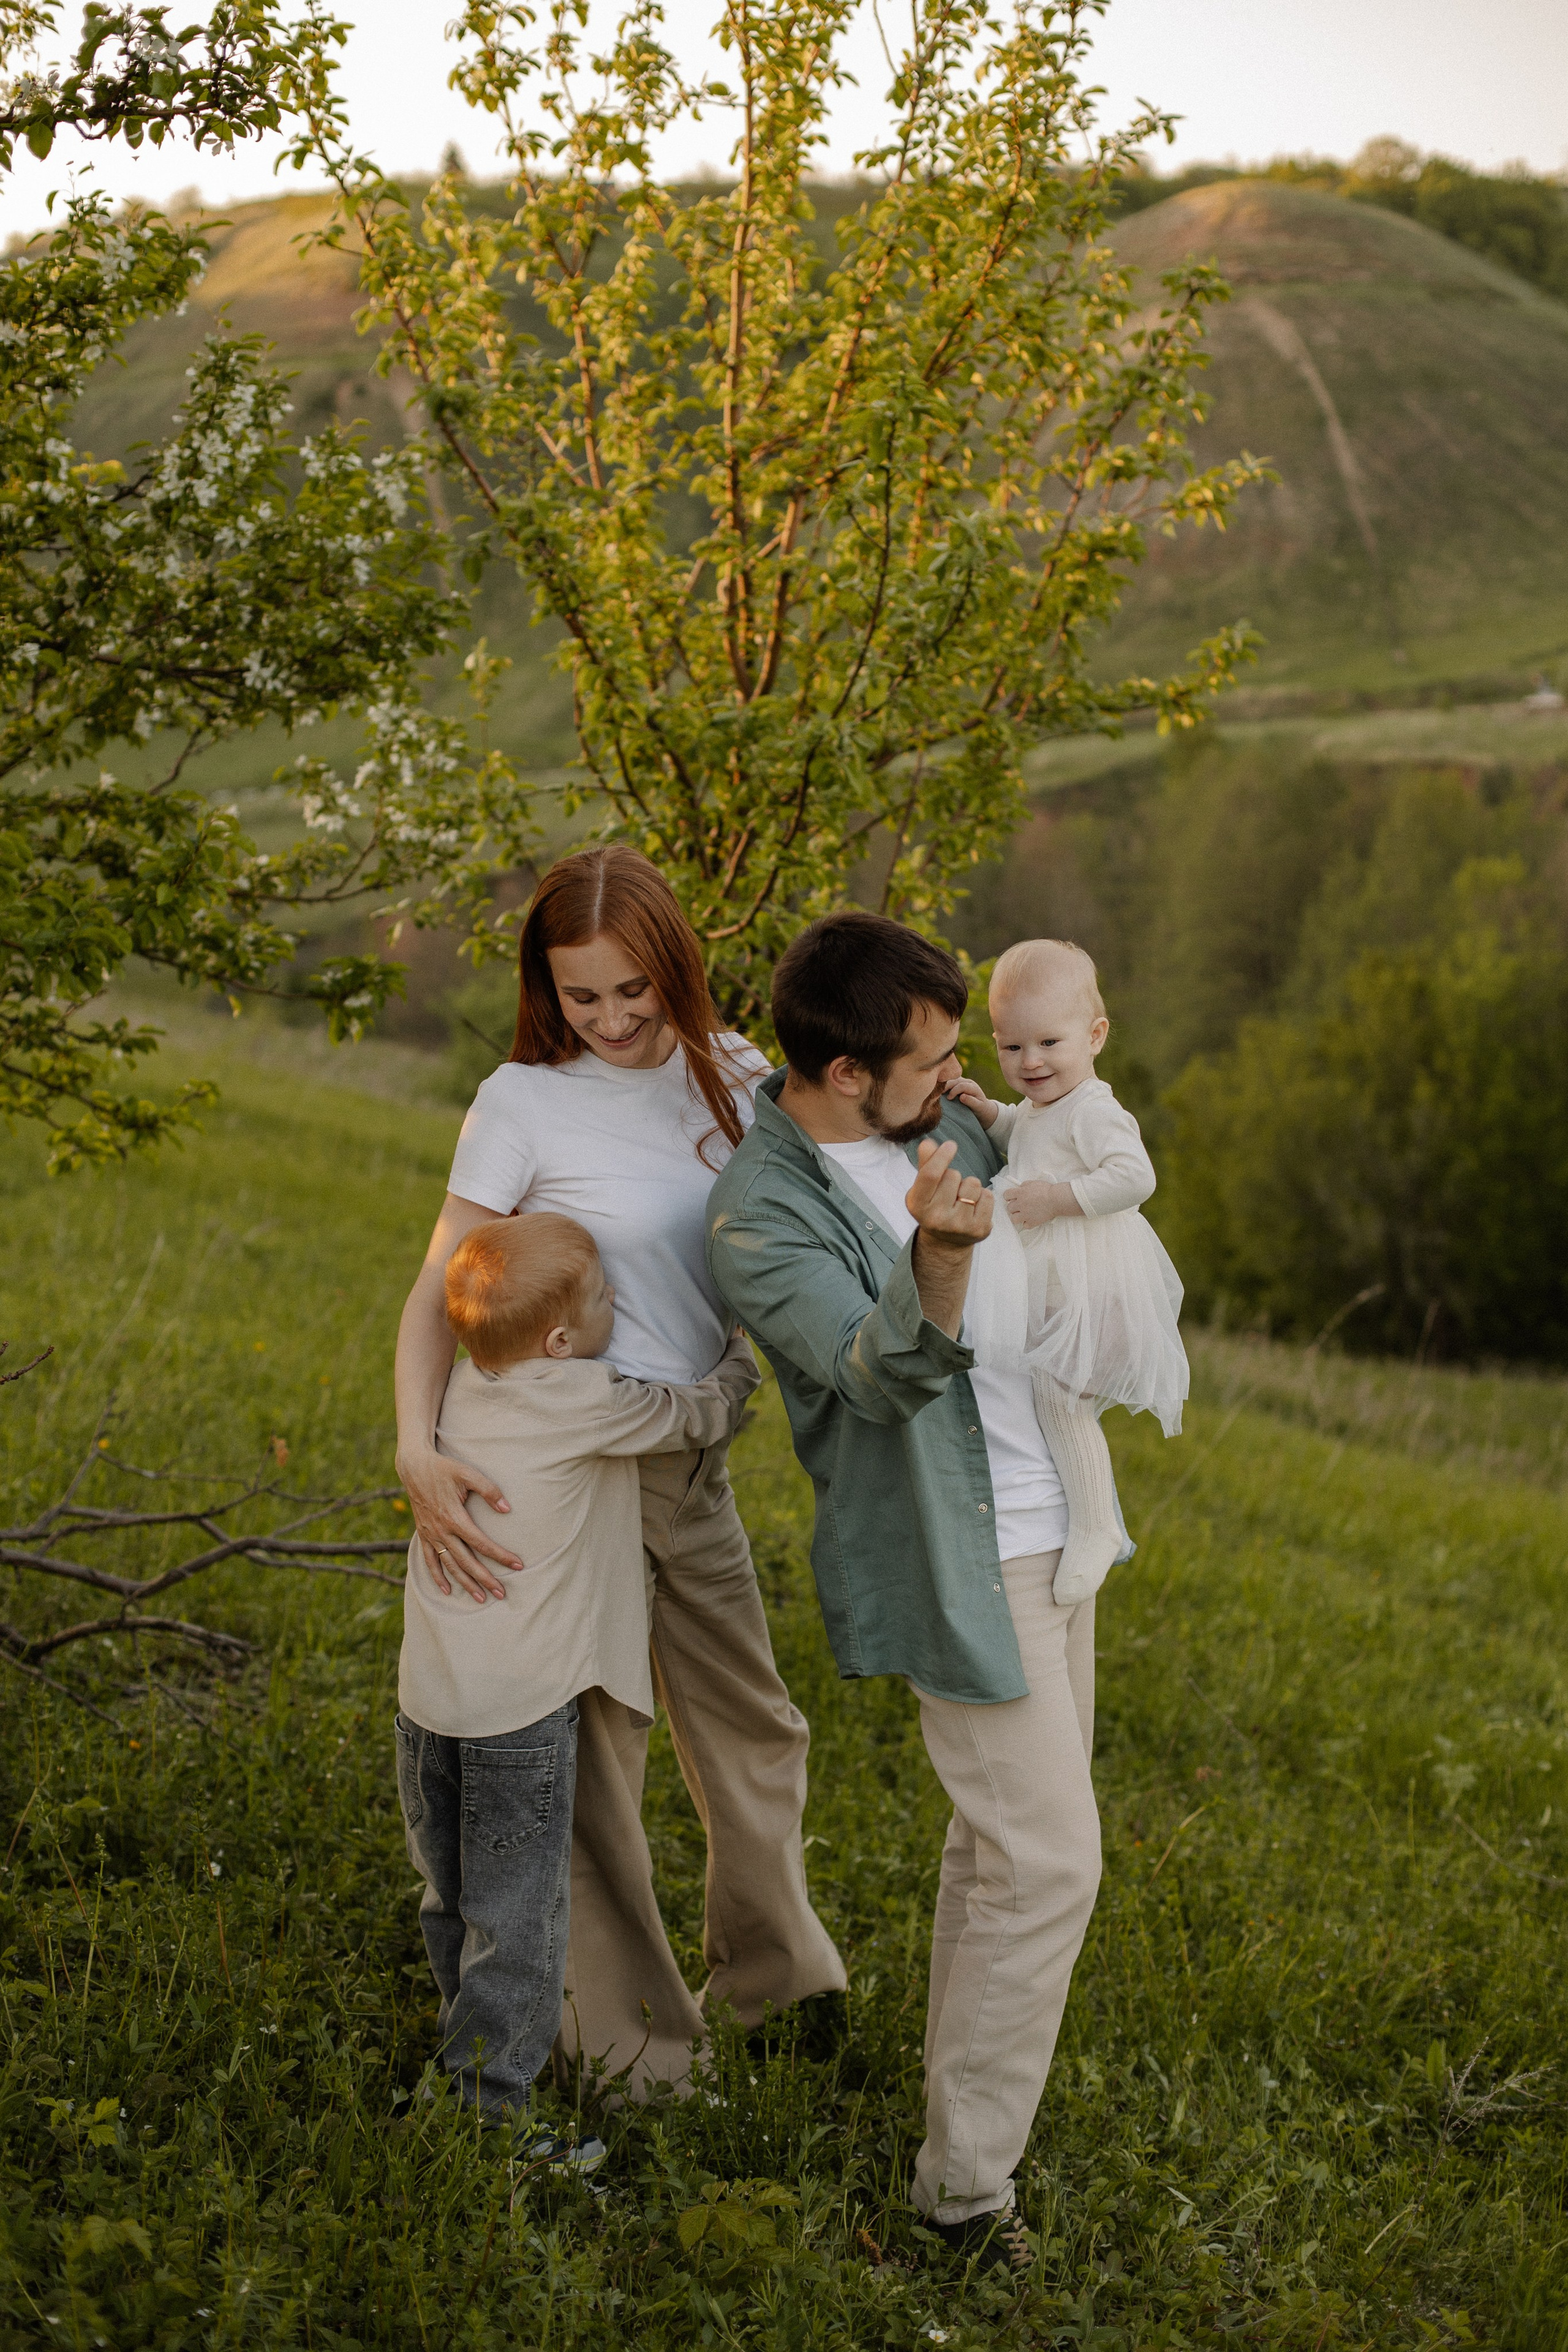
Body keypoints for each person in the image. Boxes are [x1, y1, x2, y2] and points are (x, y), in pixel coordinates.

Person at [705, 910, 1130, 2276]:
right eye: (932, 1060)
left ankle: (954, 2137)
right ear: (841, 1074)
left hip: (1061, 1523)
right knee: (1052, 1861)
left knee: (994, 1852)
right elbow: (871, 1378)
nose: (958, 1078)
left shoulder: (945, 1119)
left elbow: (1074, 1178)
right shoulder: (763, 1215)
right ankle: (960, 2204)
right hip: (962, 1558)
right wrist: (934, 1258)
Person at [394, 845, 844, 2095]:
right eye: (578, 994)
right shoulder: (521, 1099)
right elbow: (441, 1290)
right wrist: (412, 1445)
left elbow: (838, 1179)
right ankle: (635, 2053)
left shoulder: (740, 1077)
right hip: (558, 1466)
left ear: (674, 967)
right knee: (596, 1758)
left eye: (629, 991)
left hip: (680, 1449)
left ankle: (776, 1980)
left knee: (751, 1722)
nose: (605, 1018)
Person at [395, 1210, 757, 2154]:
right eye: (603, 1297)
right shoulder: (586, 1396)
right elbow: (703, 1414)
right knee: (522, 1919)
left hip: (430, 1703)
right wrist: (739, 1353)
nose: (618, 1304)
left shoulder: (458, 1399)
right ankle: (490, 2122)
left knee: (455, 1894)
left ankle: (460, 2054)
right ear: (561, 1342)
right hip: (521, 1713)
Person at [951, 937, 1187, 1604]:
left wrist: (1058, 1199)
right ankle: (1070, 1512)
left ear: (1095, 1036)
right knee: (1042, 1392)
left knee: (1062, 1398)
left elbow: (1134, 1177)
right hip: (1057, 1284)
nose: (1029, 1063)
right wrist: (984, 1111)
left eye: (1048, 1044)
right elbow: (1022, 1136)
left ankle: (1096, 1526)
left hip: (1098, 1286)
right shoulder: (1041, 1107)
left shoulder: (1094, 1109)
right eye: (1010, 1047)